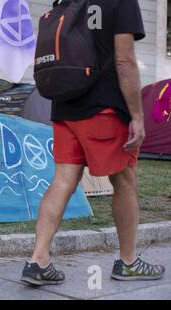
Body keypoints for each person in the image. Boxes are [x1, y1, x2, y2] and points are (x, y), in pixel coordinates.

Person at [21, 0, 165, 286]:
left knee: (62, 180)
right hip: (104, 106)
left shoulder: (65, 1)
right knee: (125, 180)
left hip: (65, 104)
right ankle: (127, 262)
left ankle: (37, 260)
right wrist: (137, 115)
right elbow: (124, 61)